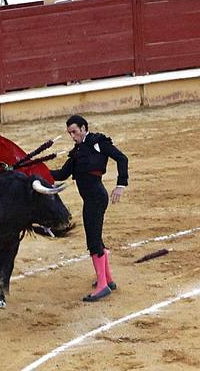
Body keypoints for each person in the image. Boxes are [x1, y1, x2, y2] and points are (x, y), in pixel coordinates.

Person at [50, 114, 128, 301]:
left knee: (93, 240)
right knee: (96, 238)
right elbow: (61, 174)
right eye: (70, 133)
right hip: (91, 198)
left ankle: (102, 286)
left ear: (84, 128)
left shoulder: (97, 142)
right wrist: (35, 171)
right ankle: (107, 279)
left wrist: (120, 185)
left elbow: (122, 158)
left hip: (96, 198)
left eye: (75, 132)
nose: (73, 136)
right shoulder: (77, 152)